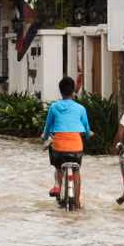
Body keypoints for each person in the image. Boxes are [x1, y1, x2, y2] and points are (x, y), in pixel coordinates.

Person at [40, 75, 91, 205]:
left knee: (57, 166)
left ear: (60, 91)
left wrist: (45, 138)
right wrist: (88, 136)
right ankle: (78, 203)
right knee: (77, 171)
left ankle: (57, 184)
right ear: (73, 91)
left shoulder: (54, 107)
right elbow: (86, 128)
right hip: (76, 147)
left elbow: (47, 127)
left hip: (59, 148)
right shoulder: (81, 108)